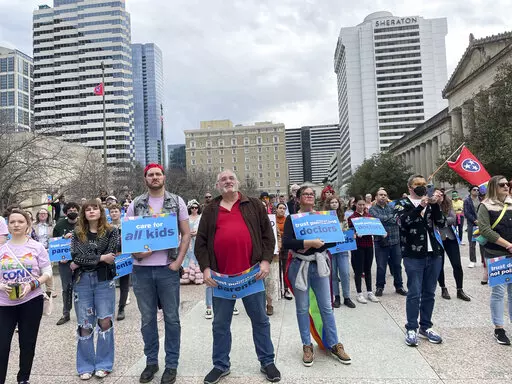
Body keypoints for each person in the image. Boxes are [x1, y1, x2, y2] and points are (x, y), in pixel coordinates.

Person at [195, 170, 281, 384]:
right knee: (220, 325)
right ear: (217, 186)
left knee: (260, 320)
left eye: (231, 178)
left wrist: (265, 261)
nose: (228, 181)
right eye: (223, 179)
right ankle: (220, 365)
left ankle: (267, 362)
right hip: (221, 279)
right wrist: (205, 268)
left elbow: (267, 237)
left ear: (238, 182)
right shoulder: (210, 209)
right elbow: (201, 243)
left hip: (251, 275)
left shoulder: (253, 205)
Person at [126, 163, 191, 384]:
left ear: (164, 177)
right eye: (150, 175)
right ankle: (151, 362)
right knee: (147, 320)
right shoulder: (136, 204)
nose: (155, 177)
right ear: (145, 179)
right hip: (142, 271)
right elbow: (128, 238)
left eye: (158, 174)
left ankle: (171, 364)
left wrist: (179, 261)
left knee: (172, 319)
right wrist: (139, 255)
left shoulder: (176, 201)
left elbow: (185, 234)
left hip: (167, 269)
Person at [283, 186, 351, 367]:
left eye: (311, 194)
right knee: (302, 308)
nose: (309, 196)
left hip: (320, 264)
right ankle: (307, 345)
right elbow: (287, 242)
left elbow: (335, 238)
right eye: (305, 194)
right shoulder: (293, 219)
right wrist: (308, 242)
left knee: (326, 307)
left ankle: (334, 343)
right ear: (298, 199)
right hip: (300, 266)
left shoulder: (324, 216)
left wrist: (313, 244)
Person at [0, 209, 52, 384]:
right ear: (8, 225)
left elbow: (47, 272)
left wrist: (32, 285)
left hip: (31, 301)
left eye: (20, 222)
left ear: (28, 224)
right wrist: (2, 286)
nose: (16, 225)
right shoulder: (2, 248)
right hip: (4, 304)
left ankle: (23, 379)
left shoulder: (36, 247)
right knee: (2, 345)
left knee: (27, 343)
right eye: (12, 222)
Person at [69, 200, 120, 380]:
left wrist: (86, 259)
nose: (91, 211)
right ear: (83, 213)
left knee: (105, 321)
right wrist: (100, 257)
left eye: (95, 208)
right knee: (84, 323)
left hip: (104, 280)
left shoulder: (112, 231)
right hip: (82, 281)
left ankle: (104, 364)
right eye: (87, 209)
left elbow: (111, 256)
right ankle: (85, 365)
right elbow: (75, 257)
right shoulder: (77, 233)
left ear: (101, 211)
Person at [394, 175, 446, 347]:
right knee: (414, 292)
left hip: (434, 253)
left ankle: (426, 326)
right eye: (417, 184)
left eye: (424, 184)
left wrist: (436, 204)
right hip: (413, 254)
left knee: (429, 292)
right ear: (410, 187)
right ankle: (411, 327)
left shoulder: (430, 203)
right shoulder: (402, 203)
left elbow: (441, 222)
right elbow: (403, 222)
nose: (422, 187)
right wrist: (420, 207)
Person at [476, 175, 512, 345]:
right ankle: (499, 328)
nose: (506, 187)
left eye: (507, 184)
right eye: (502, 184)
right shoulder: (485, 205)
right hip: (497, 254)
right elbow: (484, 230)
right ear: (493, 187)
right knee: (498, 292)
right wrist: (508, 245)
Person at [369, 188, 407, 297]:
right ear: (376, 197)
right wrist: (390, 218)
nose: (383, 197)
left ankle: (399, 286)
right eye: (380, 195)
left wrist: (386, 219)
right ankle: (379, 287)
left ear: (387, 197)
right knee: (381, 266)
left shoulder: (393, 207)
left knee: (397, 265)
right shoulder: (372, 209)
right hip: (380, 242)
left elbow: (397, 219)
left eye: (385, 195)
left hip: (395, 240)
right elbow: (377, 219)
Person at [435, 190, 471, 301]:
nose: (439, 196)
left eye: (441, 195)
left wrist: (440, 221)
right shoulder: (430, 206)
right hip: (437, 238)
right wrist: (441, 221)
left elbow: (453, 218)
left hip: (450, 237)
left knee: (457, 264)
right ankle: (443, 288)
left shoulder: (448, 204)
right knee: (439, 266)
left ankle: (460, 289)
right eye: (437, 195)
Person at [324, 196, 355, 308]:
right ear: (328, 204)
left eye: (336, 202)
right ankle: (336, 296)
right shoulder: (324, 217)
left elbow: (346, 230)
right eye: (332, 202)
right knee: (332, 274)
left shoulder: (343, 216)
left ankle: (347, 297)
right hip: (331, 250)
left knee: (345, 273)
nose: (334, 204)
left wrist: (351, 235)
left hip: (342, 248)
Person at [53, 202, 80, 326]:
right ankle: (66, 313)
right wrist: (60, 257)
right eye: (70, 210)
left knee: (81, 287)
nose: (72, 211)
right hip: (65, 262)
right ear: (65, 212)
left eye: (75, 209)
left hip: (81, 261)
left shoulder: (83, 224)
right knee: (66, 288)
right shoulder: (59, 225)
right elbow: (55, 243)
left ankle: (82, 313)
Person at [348, 196, 379, 304]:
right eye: (359, 204)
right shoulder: (352, 217)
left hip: (369, 245)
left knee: (368, 269)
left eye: (363, 204)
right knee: (358, 270)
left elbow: (375, 228)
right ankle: (359, 293)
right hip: (357, 246)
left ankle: (370, 292)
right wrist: (355, 234)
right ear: (355, 205)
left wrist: (380, 232)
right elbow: (350, 232)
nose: (361, 206)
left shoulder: (369, 216)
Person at [109, 204, 131, 321]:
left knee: (124, 284)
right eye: (112, 211)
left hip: (124, 257)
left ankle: (121, 308)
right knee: (109, 284)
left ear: (120, 212)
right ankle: (108, 308)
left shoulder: (126, 225)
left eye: (116, 211)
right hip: (111, 258)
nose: (114, 213)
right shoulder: (106, 227)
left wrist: (122, 251)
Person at [34, 209, 55, 298]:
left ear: (48, 215)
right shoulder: (33, 226)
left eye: (44, 213)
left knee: (48, 269)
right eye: (40, 213)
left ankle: (50, 290)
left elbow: (55, 238)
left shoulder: (52, 226)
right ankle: (36, 289)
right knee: (36, 270)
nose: (42, 215)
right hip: (36, 250)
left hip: (49, 250)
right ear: (38, 215)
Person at [464, 185, 484, 268]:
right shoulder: (467, 201)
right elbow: (466, 213)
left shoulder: (481, 200)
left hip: (482, 224)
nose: (476, 191)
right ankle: (472, 261)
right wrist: (475, 220)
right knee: (472, 243)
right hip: (472, 224)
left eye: (477, 190)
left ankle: (483, 260)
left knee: (482, 242)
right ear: (470, 191)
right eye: (474, 189)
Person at [276, 203, 292, 300]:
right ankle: (278, 289)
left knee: (285, 270)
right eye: (280, 208)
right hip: (276, 248)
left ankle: (286, 290)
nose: (282, 210)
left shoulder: (287, 220)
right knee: (277, 269)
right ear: (276, 209)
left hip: (285, 247)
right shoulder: (272, 220)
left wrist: (280, 234)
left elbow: (289, 233)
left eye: (284, 208)